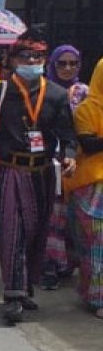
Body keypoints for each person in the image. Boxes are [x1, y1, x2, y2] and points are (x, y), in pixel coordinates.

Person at [0, 36, 76, 322]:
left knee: (36, 232)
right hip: (9, 170)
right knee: (10, 230)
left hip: (42, 171)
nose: (31, 63)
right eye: (25, 57)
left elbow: (66, 134)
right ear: (13, 61)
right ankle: (12, 293)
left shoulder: (55, 94)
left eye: (37, 58)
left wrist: (70, 154)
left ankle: (26, 285)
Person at [42, 44, 89, 288]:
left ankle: (70, 263)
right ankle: (51, 264)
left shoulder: (85, 93)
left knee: (74, 218)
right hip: (50, 160)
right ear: (53, 64)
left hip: (80, 162)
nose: (68, 68)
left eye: (73, 63)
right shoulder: (43, 90)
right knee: (53, 215)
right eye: (62, 63)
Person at [66, 58, 103, 317]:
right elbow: (89, 145)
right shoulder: (88, 109)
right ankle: (97, 297)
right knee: (97, 244)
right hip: (93, 186)